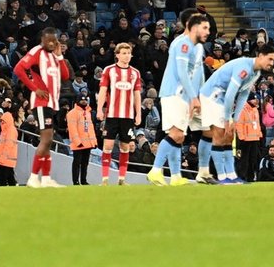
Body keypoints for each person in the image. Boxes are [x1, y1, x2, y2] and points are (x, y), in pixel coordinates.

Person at [197, 45, 274, 184]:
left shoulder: (256, 72)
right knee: (220, 134)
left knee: (228, 136)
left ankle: (232, 175)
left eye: (273, 60)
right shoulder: (244, 68)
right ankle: (222, 177)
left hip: (221, 98)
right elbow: (230, 95)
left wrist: (235, 119)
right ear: (260, 56)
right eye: (270, 59)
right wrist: (228, 118)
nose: (271, 63)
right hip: (212, 95)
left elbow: (243, 94)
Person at [148, 10, 210, 185]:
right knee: (176, 134)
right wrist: (193, 97)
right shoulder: (182, 43)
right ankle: (156, 170)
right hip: (175, 93)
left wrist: (200, 95)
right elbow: (182, 72)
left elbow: (199, 72)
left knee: (179, 135)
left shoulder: (198, 46)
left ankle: (175, 176)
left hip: (187, 95)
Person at [14, 26, 71, 187]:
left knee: (48, 140)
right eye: (49, 41)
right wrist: (34, 88)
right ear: (42, 40)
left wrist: (60, 57)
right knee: (46, 140)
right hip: (40, 102)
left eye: (55, 41)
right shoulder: (37, 52)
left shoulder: (54, 56)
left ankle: (46, 178)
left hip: (51, 103)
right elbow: (19, 69)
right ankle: (33, 177)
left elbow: (66, 76)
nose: (52, 44)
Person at [96, 40, 143, 184]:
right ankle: (105, 179)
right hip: (111, 115)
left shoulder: (135, 73)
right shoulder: (109, 70)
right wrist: (99, 109)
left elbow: (137, 94)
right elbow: (103, 91)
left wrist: (138, 113)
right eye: (124, 53)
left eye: (129, 53)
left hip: (127, 116)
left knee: (125, 146)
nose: (127, 56)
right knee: (108, 146)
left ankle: (122, 179)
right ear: (117, 55)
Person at [66, 96, 98, 185]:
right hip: (78, 144)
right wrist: (77, 142)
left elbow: (90, 128)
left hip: (87, 143)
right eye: (81, 100)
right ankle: (75, 181)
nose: (84, 101)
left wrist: (94, 142)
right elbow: (72, 129)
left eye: (85, 100)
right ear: (77, 101)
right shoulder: (72, 113)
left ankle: (83, 180)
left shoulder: (88, 112)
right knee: (77, 163)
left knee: (85, 163)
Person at [0, 103, 19, 186]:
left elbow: (8, 145)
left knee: (3, 177)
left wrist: (1, 158)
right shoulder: (6, 130)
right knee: (10, 177)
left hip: (6, 159)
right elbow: (1, 146)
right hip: (6, 159)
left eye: (3, 121)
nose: (2, 122)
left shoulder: (10, 130)